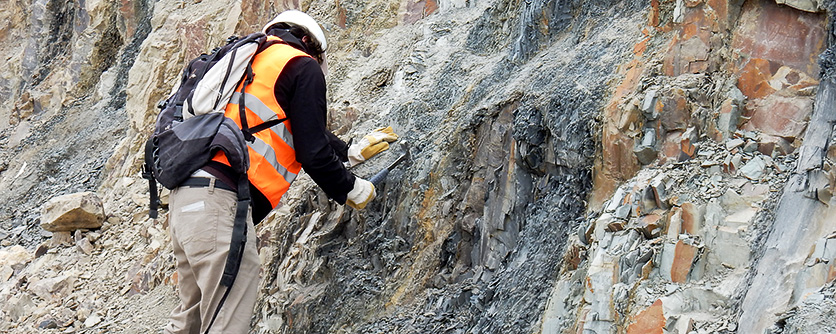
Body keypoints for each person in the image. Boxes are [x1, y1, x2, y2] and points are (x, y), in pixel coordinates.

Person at [163, 10, 398, 333]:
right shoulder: (302, 65)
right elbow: (312, 151)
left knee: (190, 319)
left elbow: (287, 125)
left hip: (185, 201)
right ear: (308, 42)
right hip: (220, 201)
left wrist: (349, 152)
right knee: (227, 317)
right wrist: (350, 188)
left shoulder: (253, 63)